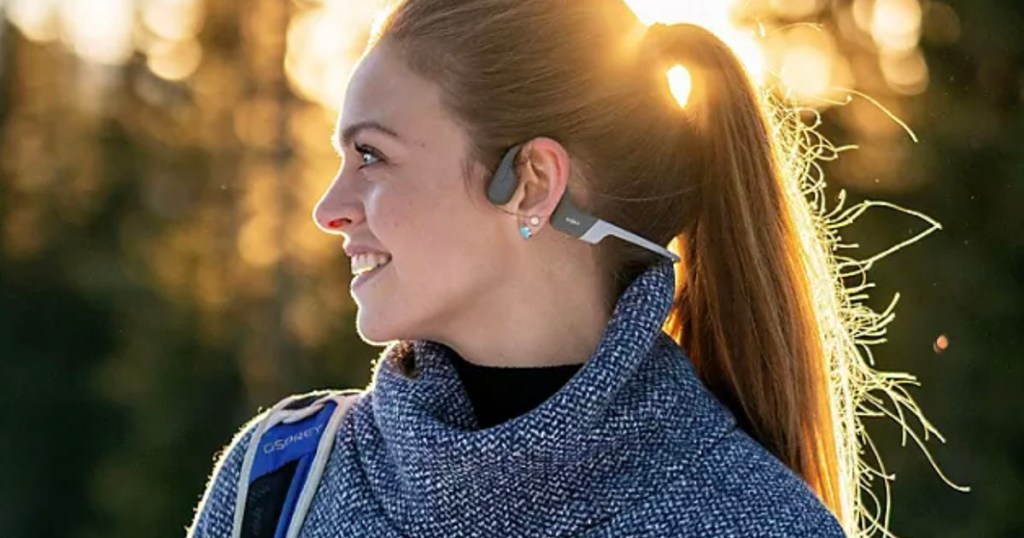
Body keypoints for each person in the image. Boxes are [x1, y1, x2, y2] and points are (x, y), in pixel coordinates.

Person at [187, 0, 856, 536]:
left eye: (370, 155)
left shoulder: (758, 521)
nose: (328, 210)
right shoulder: (277, 484)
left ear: (532, 182)